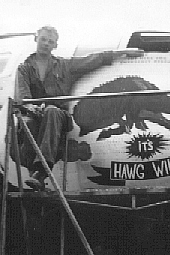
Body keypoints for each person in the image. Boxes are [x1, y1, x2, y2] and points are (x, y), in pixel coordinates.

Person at [15, 25, 142, 190]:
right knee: (27, 122)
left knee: (52, 111)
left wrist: (120, 53)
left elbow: (92, 60)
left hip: (59, 117)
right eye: (43, 39)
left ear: (55, 46)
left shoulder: (64, 65)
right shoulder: (24, 69)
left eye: (50, 41)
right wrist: (32, 107)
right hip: (35, 115)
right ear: (36, 39)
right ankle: (33, 171)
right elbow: (23, 97)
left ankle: (41, 172)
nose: (46, 44)